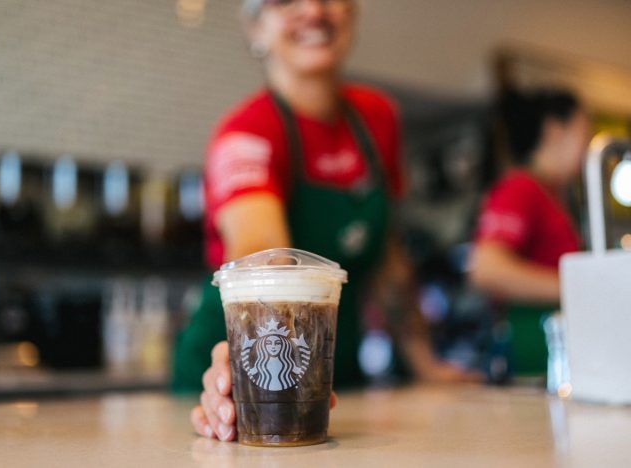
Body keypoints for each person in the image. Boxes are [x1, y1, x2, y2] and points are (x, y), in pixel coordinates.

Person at [174, 0, 478, 442]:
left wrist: (425, 364)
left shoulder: (378, 119)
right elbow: (264, 257)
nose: (314, 10)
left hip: (333, 373)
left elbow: (387, 255)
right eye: (285, 1)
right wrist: (246, 369)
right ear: (254, 27)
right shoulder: (244, 132)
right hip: (233, 386)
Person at [469, 87, 592, 374]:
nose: (587, 145)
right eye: (584, 132)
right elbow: (487, 269)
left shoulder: (555, 196)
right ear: (555, 129)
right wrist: (579, 286)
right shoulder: (521, 189)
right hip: (534, 353)